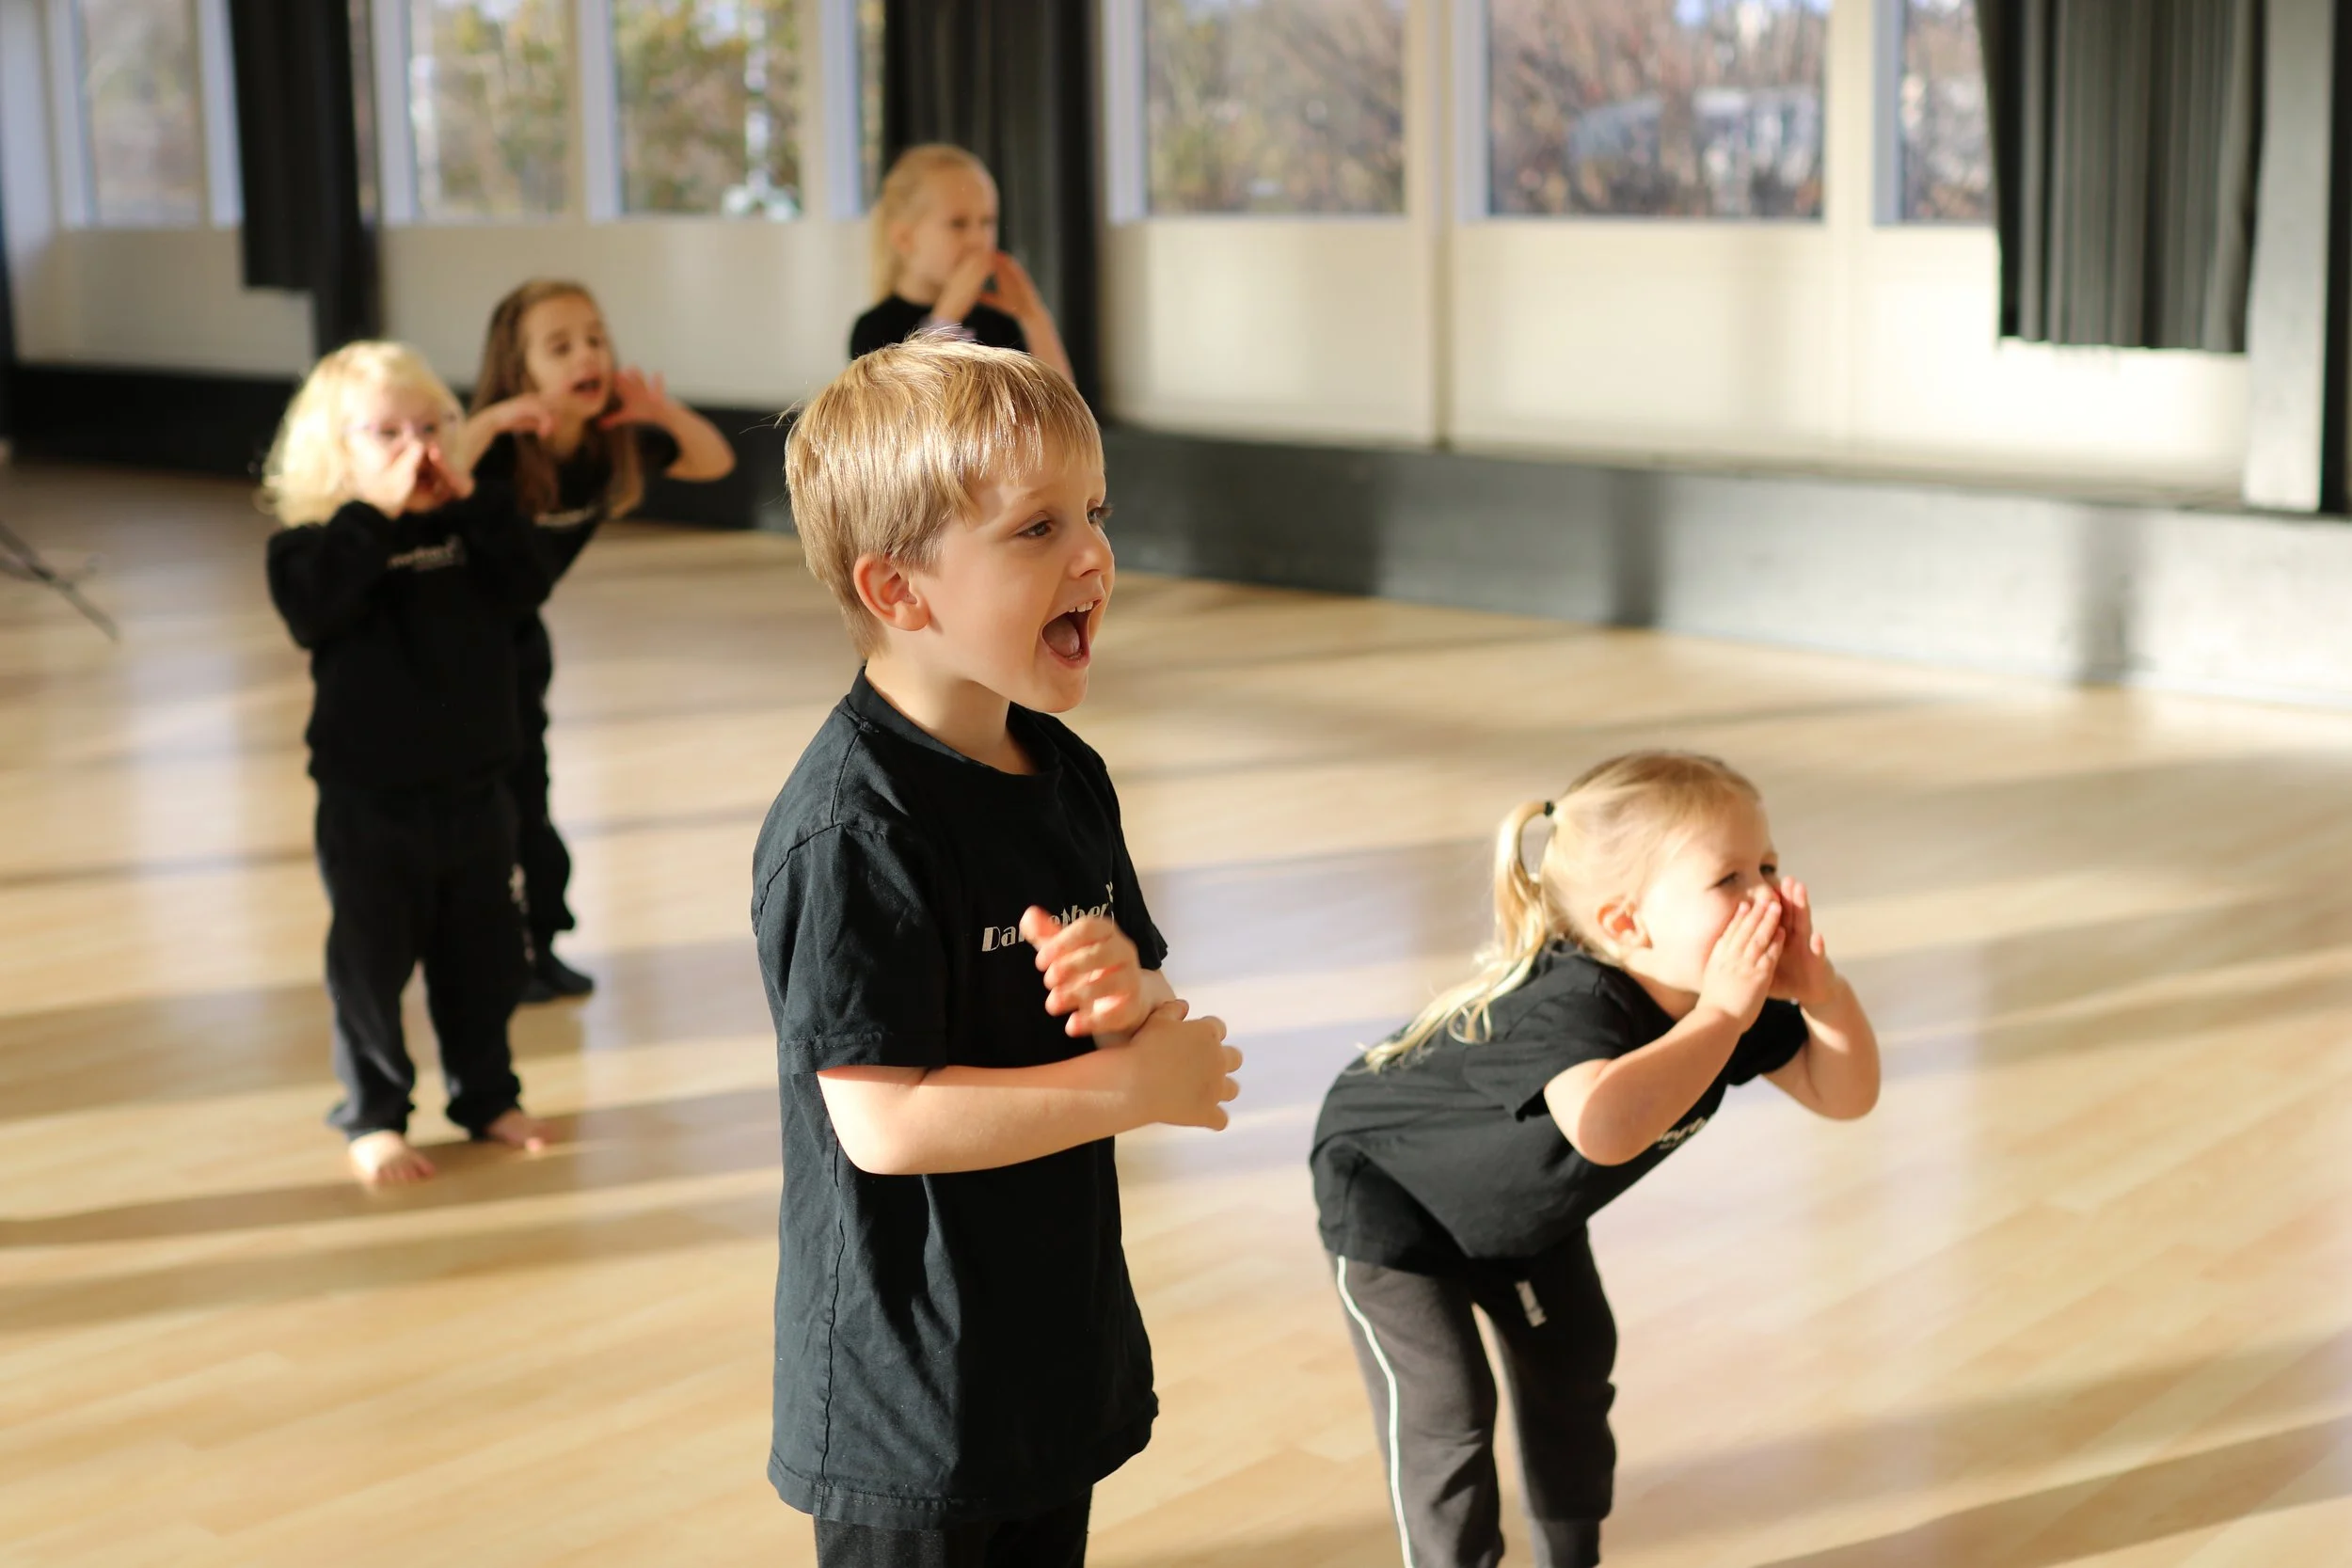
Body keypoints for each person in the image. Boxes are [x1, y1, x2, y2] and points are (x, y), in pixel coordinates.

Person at [753, 333, 1241, 1564]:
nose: (1093, 554)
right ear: (899, 591)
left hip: (1041, 1353)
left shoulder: (1063, 773)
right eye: (1036, 530)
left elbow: (1142, 984)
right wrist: (1135, 1084)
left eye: (1095, 512)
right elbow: (883, 1121)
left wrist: (1130, 996)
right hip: (909, 1394)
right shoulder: (855, 827)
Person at [1310, 752, 1881, 1568]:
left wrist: (1822, 992)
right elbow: (1606, 1127)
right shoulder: (1572, 1005)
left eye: (1770, 866)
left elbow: (1844, 1092)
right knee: (1449, 1409)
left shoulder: (1729, 1009)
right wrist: (1719, 1013)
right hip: (1394, 1196)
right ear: (1626, 924)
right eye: (1729, 879)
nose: (1766, 896)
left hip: (1526, 1214)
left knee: (1574, 1374)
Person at [262, 341, 555, 1186]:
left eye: (430, 426)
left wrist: (472, 505)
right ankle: (374, 1113)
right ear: (334, 449)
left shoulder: (473, 523)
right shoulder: (316, 543)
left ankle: (486, 1094)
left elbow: (526, 584)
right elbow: (313, 611)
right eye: (385, 432)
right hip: (368, 799)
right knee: (370, 962)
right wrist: (376, 515)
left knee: (484, 954)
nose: (414, 447)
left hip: (477, 788)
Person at [464, 278, 737, 1002]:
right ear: (520, 371)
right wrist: (486, 425)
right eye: (560, 346)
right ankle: (488, 953)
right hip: (451, 649)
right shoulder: (491, 450)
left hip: (517, 638)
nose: (587, 353)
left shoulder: (609, 441)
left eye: (594, 338)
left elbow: (714, 461)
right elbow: (434, 481)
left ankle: (541, 943)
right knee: (480, 811)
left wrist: (661, 410)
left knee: (532, 794)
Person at [849, 144, 1074, 382]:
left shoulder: (999, 323)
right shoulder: (875, 330)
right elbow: (910, 407)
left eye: (987, 221)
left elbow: (1064, 407)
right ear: (904, 238)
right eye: (958, 223)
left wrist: (1033, 317)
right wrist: (947, 317)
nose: (979, 240)